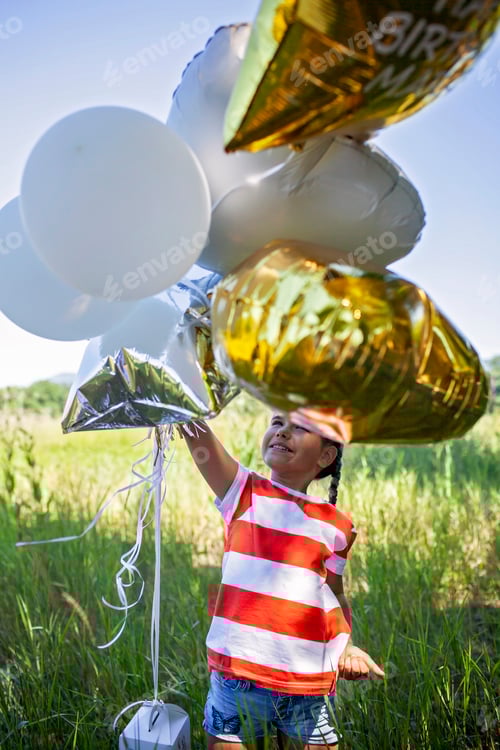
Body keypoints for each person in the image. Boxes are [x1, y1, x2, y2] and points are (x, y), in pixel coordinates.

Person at [181, 411, 384, 750]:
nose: (283, 432)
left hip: (309, 685)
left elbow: (333, 594)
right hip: (237, 680)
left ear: (325, 455)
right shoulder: (244, 492)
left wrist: (345, 646)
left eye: (300, 428)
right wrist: (179, 401)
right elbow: (200, 441)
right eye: (277, 423)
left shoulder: (338, 527)